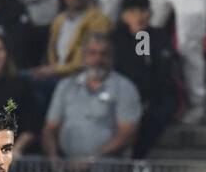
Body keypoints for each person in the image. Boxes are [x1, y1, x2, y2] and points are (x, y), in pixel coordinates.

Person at [41, 32, 141, 164]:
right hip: (66, 169)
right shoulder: (65, 86)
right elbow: (50, 129)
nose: (98, 59)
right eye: (92, 53)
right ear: (83, 57)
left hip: (108, 171)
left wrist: (92, 160)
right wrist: (53, 158)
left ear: (112, 58)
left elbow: (128, 133)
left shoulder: (125, 87)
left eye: (104, 54)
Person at [113, 0, 181, 159]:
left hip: (155, 94)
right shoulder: (115, 38)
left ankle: (137, 157)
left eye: (143, 10)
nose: (139, 15)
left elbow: (151, 69)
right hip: (123, 93)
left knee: (158, 111)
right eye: (133, 11)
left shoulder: (158, 36)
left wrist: (140, 37)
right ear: (124, 16)